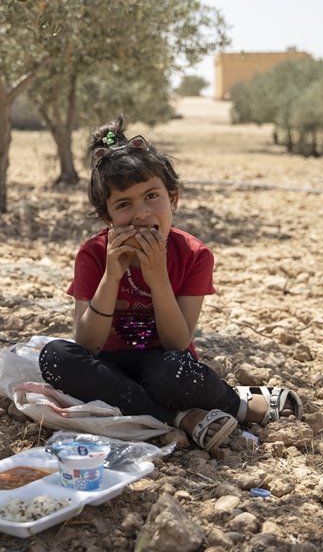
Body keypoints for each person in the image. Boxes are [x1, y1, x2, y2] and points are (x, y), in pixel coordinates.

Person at [38, 118, 302, 451]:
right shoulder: (93, 254)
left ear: (173, 199)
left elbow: (178, 342)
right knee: (54, 356)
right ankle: (182, 418)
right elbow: (87, 343)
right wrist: (112, 275)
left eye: (152, 196)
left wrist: (157, 276)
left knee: (174, 375)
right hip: (108, 365)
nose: (141, 213)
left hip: (165, 362)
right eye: (124, 204)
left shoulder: (194, 255)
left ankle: (237, 404)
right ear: (107, 218)